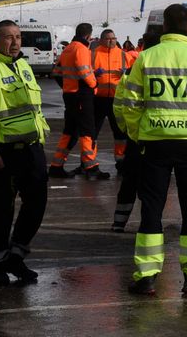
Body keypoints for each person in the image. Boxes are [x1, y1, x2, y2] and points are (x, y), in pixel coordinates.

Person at [118, 5, 187, 296]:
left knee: (152, 209)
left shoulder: (146, 58)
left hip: (155, 143)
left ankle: (147, 276)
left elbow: (130, 103)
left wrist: (139, 133)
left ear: (163, 27)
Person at [0, 20, 51, 285]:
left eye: (18, 37)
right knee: (2, 210)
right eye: (8, 37)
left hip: (31, 149)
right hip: (3, 152)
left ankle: (16, 256)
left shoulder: (24, 66)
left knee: (36, 204)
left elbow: (34, 109)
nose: (14, 42)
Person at [111, 32, 160, 232]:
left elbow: (119, 106)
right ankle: (149, 223)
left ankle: (119, 222)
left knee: (129, 181)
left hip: (136, 137)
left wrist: (129, 130)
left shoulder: (131, 71)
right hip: (159, 136)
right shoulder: (163, 71)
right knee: (152, 185)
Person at [50, 23, 107, 179]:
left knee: (70, 131)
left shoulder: (68, 48)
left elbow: (56, 72)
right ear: (88, 35)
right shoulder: (81, 49)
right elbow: (83, 71)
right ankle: (91, 167)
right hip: (82, 95)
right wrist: (94, 83)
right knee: (88, 130)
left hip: (70, 95)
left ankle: (57, 165)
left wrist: (67, 86)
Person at [92, 30, 135, 173]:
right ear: (101, 40)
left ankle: (121, 162)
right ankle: (89, 162)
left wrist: (125, 73)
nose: (111, 41)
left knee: (120, 132)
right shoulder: (94, 53)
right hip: (98, 99)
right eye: (108, 39)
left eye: (113, 38)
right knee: (93, 132)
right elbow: (84, 72)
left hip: (117, 99)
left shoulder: (124, 55)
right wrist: (94, 74)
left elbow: (133, 74)